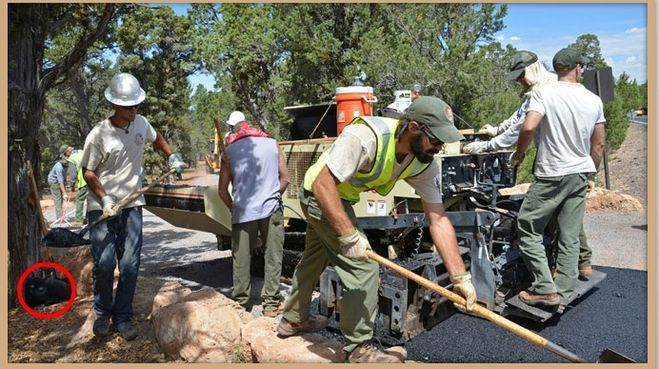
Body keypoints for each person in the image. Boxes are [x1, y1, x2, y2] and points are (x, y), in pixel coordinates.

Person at [276, 96, 477, 363]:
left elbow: (438, 219)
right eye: (436, 140)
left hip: (340, 197)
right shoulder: (366, 137)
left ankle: (293, 320)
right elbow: (323, 185)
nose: (440, 147)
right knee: (363, 268)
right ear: (413, 127)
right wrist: (349, 236)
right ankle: (358, 349)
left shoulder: (423, 161)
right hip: (319, 193)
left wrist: (459, 277)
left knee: (315, 258)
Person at [462, 50, 593, 277]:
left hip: (556, 164)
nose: (518, 81)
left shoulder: (544, 91)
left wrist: (486, 146)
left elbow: (523, 128)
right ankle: (582, 263)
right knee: (569, 219)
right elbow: (517, 117)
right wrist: (496, 129)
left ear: (532, 69)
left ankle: (551, 276)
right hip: (579, 164)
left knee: (540, 221)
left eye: (520, 76)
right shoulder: (548, 86)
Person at [80, 72, 186, 341]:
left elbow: (157, 137)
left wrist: (172, 156)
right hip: (102, 207)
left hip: (132, 205)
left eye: (137, 105)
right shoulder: (98, 135)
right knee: (104, 264)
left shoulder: (141, 124)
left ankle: (123, 317)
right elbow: (88, 172)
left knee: (129, 264)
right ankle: (103, 314)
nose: (134, 110)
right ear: (115, 105)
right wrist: (104, 199)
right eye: (129, 106)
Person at [510, 48, 605, 309]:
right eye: (582, 66)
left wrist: (519, 154)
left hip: (551, 173)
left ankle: (544, 287)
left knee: (528, 228)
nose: (583, 69)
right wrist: (589, 173)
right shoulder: (593, 99)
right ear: (576, 68)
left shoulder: (544, 93)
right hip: (578, 173)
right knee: (569, 234)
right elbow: (598, 145)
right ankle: (563, 291)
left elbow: (529, 126)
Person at [218, 114, 290, 317]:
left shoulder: (229, 151)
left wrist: (234, 208)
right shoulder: (273, 144)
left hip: (243, 211)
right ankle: (270, 305)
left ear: (234, 130)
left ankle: (241, 304)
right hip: (272, 209)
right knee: (273, 255)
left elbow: (222, 190)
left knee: (241, 258)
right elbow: (285, 179)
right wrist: (272, 198)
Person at [48, 145, 73, 223]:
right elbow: (60, 181)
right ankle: (59, 219)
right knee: (58, 200)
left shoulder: (65, 164)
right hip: (54, 182)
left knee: (61, 200)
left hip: (59, 181)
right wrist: (64, 193)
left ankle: (61, 216)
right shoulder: (59, 167)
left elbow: (64, 177)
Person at [65, 148, 88, 225]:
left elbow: (73, 174)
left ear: (67, 152)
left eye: (65, 155)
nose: (66, 157)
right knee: (90, 199)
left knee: (79, 199)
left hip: (84, 179)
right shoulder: (81, 151)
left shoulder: (72, 159)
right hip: (94, 177)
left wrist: (72, 185)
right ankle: (88, 217)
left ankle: (79, 220)